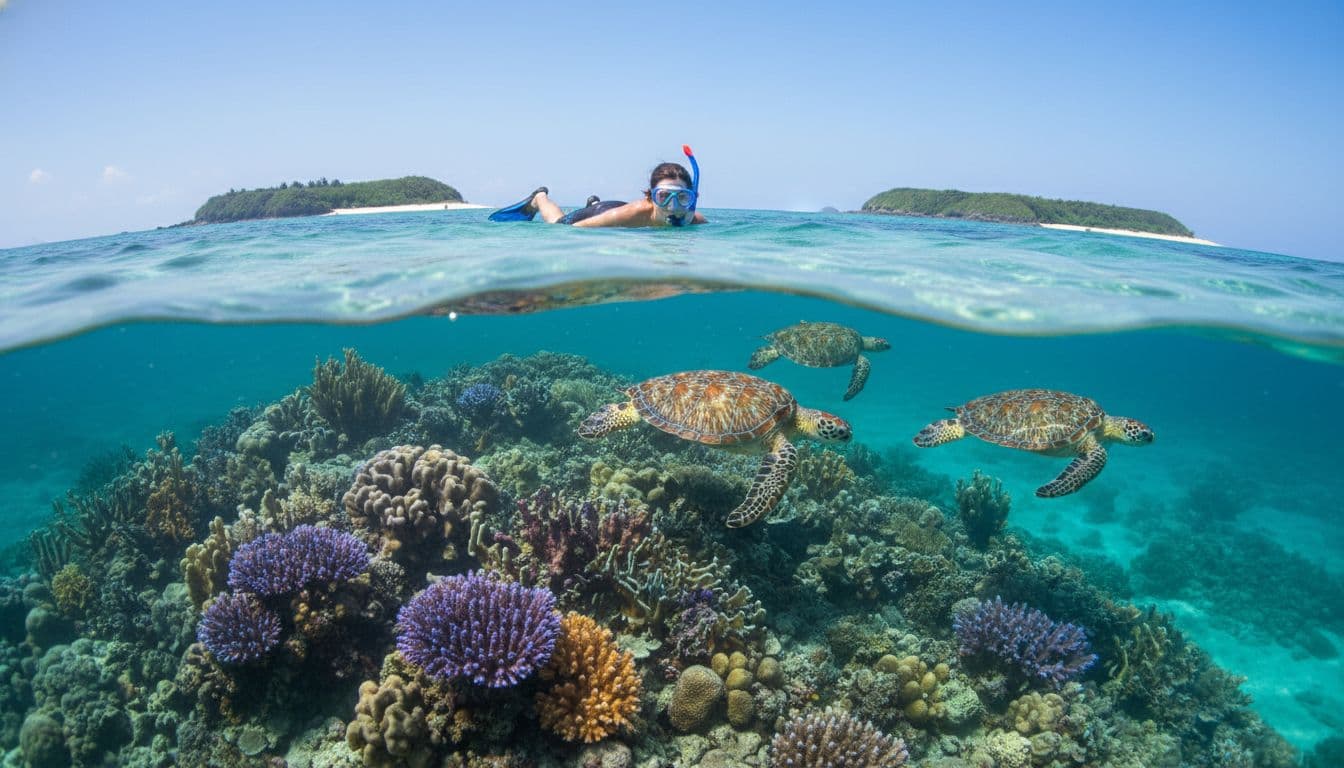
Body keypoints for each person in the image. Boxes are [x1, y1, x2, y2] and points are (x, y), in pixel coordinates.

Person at [491, 161, 706, 227]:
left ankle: (593, 202)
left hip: (615, 210)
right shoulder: (632, 214)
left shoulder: (695, 220)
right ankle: (540, 198)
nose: (672, 206)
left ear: (692, 199)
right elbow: (574, 231)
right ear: (650, 197)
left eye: (682, 198)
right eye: (663, 197)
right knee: (557, 223)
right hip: (605, 213)